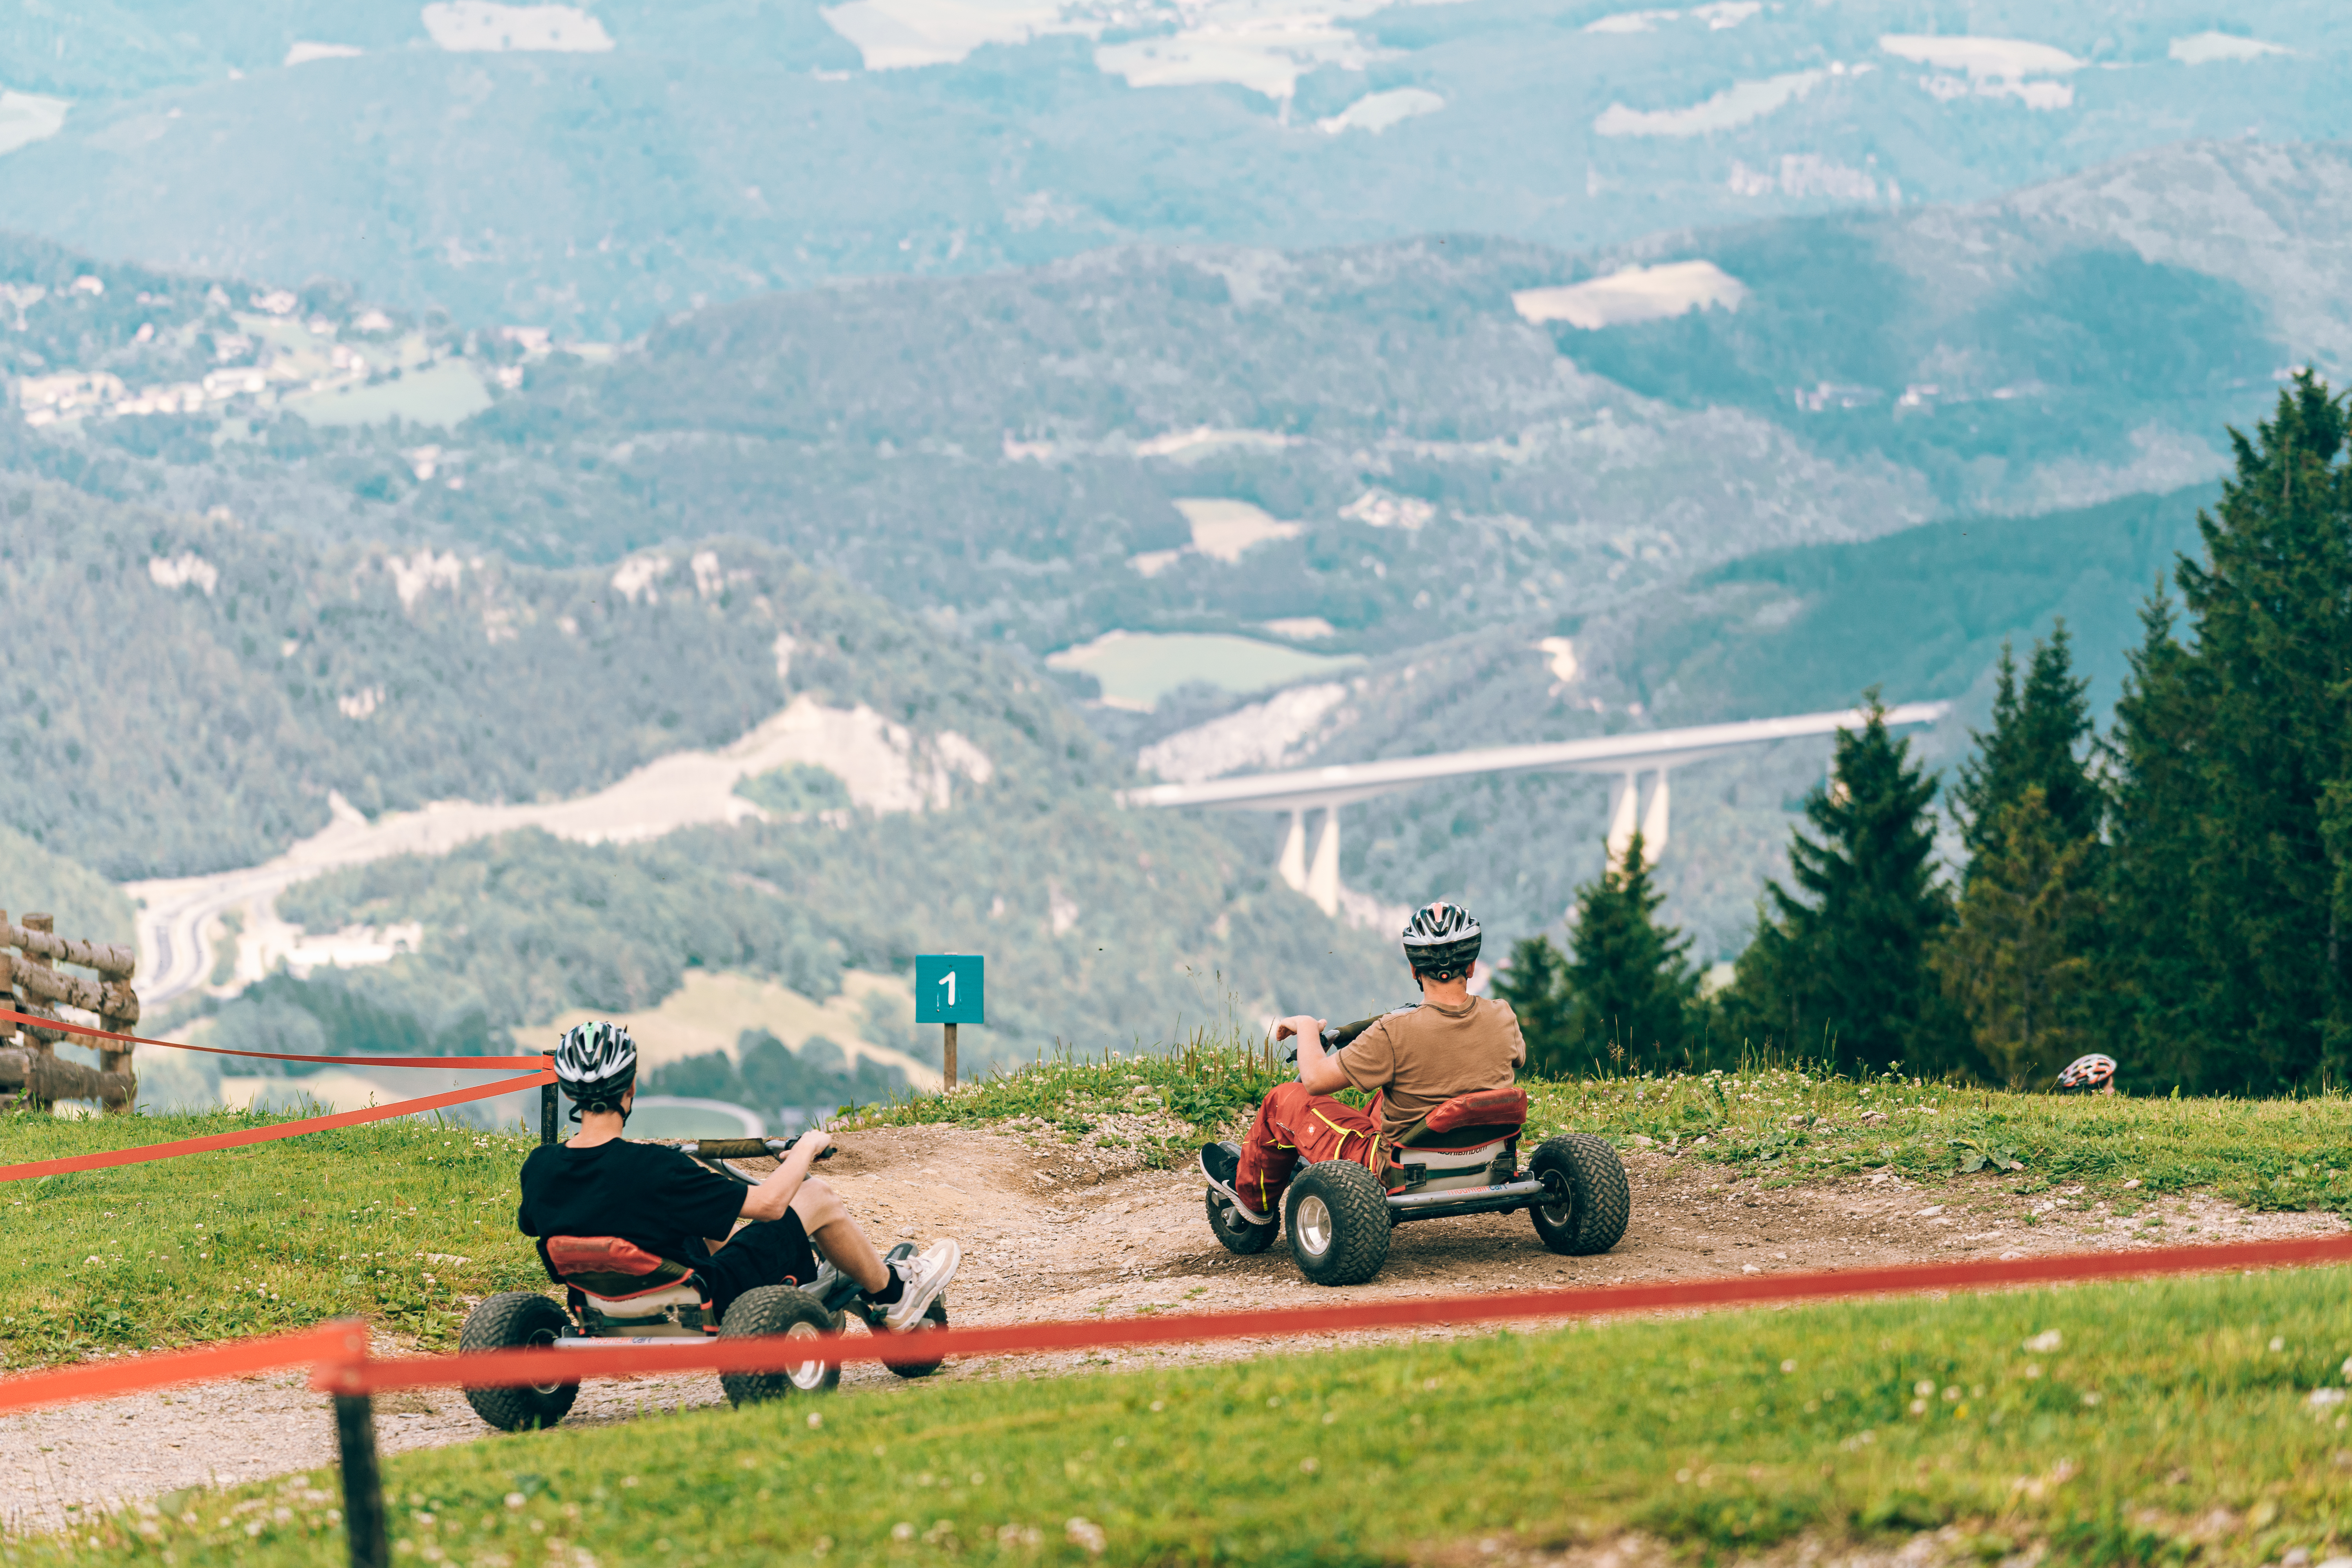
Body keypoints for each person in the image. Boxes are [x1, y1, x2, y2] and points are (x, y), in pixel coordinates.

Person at [517, 1020, 958, 1328]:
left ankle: (827, 1282)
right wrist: (805, 1149)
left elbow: (541, 1223)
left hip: (603, 1303)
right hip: (705, 1300)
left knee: (706, 1219)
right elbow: (768, 1205)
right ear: (630, 1088)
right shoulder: (655, 1167)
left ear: (567, 1089)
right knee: (818, 1196)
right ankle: (892, 1294)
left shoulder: (540, 1168)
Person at [1200, 900, 1525, 1224]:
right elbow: (1514, 1057)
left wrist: (1308, 1027)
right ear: (1471, 967)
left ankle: (1250, 1200)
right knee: (1390, 1096)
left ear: (1414, 969)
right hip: (1490, 1160)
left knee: (1282, 1101)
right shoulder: (1503, 1015)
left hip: (1399, 1171)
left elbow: (1314, 1080)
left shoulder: (1394, 1034)